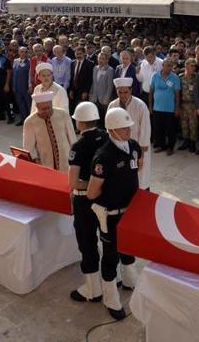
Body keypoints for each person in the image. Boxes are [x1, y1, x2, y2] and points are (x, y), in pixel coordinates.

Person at [86, 108, 143, 320]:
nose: (128, 130)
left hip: (130, 212)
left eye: (129, 126)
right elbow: (92, 192)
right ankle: (110, 297)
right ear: (112, 129)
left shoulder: (134, 147)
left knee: (129, 249)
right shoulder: (103, 157)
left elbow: (138, 167)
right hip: (110, 214)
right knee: (110, 256)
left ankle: (129, 280)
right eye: (123, 127)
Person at [68, 102, 109, 303]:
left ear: (80, 123)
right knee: (108, 240)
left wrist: (92, 185)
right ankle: (114, 279)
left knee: (87, 242)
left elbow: (73, 182)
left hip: (84, 201)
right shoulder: (108, 137)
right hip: (105, 200)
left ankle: (92, 289)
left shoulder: (79, 145)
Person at [108, 77, 152, 190]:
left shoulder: (140, 106)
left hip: (137, 148)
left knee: (140, 178)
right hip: (118, 148)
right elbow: (109, 129)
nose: (123, 95)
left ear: (131, 90)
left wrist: (141, 156)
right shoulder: (112, 106)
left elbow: (145, 131)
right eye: (120, 92)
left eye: (125, 92)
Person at [22, 91, 76, 172]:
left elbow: (72, 139)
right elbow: (28, 147)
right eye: (43, 109)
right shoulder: (30, 122)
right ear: (36, 106)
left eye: (49, 108)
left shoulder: (63, 114)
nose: (47, 111)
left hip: (66, 163)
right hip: (45, 165)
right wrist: (36, 161)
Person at [149, 58, 181, 155]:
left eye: (171, 66)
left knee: (171, 129)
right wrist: (150, 106)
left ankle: (170, 147)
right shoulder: (155, 76)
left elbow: (177, 94)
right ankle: (161, 145)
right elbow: (151, 92)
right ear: (162, 65)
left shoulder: (175, 77)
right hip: (157, 108)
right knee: (158, 128)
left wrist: (177, 108)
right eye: (167, 65)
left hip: (170, 109)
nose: (169, 67)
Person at [178, 58, 199, 152]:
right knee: (184, 124)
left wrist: (198, 107)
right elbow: (178, 92)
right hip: (183, 104)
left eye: (195, 66)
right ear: (186, 66)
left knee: (193, 125)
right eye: (192, 65)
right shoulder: (180, 77)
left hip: (193, 105)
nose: (194, 67)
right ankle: (186, 141)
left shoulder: (197, 77)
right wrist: (178, 106)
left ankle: (192, 143)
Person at [90, 52, 115, 123]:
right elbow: (93, 83)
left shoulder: (110, 70)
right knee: (96, 117)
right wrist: (91, 95)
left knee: (104, 118)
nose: (101, 60)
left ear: (107, 60)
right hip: (95, 98)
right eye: (99, 58)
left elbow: (110, 86)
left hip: (104, 99)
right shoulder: (95, 68)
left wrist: (106, 99)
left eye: (103, 59)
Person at [70, 46, 94, 110]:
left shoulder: (90, 64)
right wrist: (71, 90)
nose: (78, 56)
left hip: (83, 92)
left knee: (82, 109)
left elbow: (90, 79)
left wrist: (86, 91)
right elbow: (72, 77)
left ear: (84, 54)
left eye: (80, 54)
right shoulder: (72, 63)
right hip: (74, 91)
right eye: (77, 54)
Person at [12, 46, 31, 125]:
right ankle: (23, 119)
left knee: (29, 105)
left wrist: (29, 86)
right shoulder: (15, 61)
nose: (24, 53)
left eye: (25, 52)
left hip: (26, 87)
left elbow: (30, 75)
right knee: (20, 104)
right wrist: (13, 86)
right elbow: (14, 74)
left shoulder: (30, 62)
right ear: (19, 52)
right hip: (17, 88)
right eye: (22, 51)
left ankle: (30, 121)